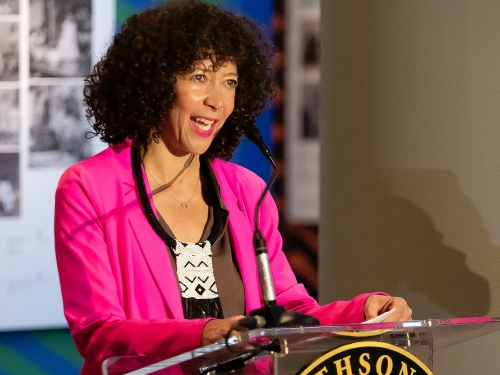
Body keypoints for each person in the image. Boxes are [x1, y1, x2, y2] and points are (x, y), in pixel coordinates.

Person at [54, 1, 412, 374]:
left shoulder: (246, 190)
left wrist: (366, 310)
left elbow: (287, 309)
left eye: (230, 82)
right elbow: (98, 331)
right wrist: (208, 332)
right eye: (199, 78)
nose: (218, 101)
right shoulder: (89, 188)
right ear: (154, 82)